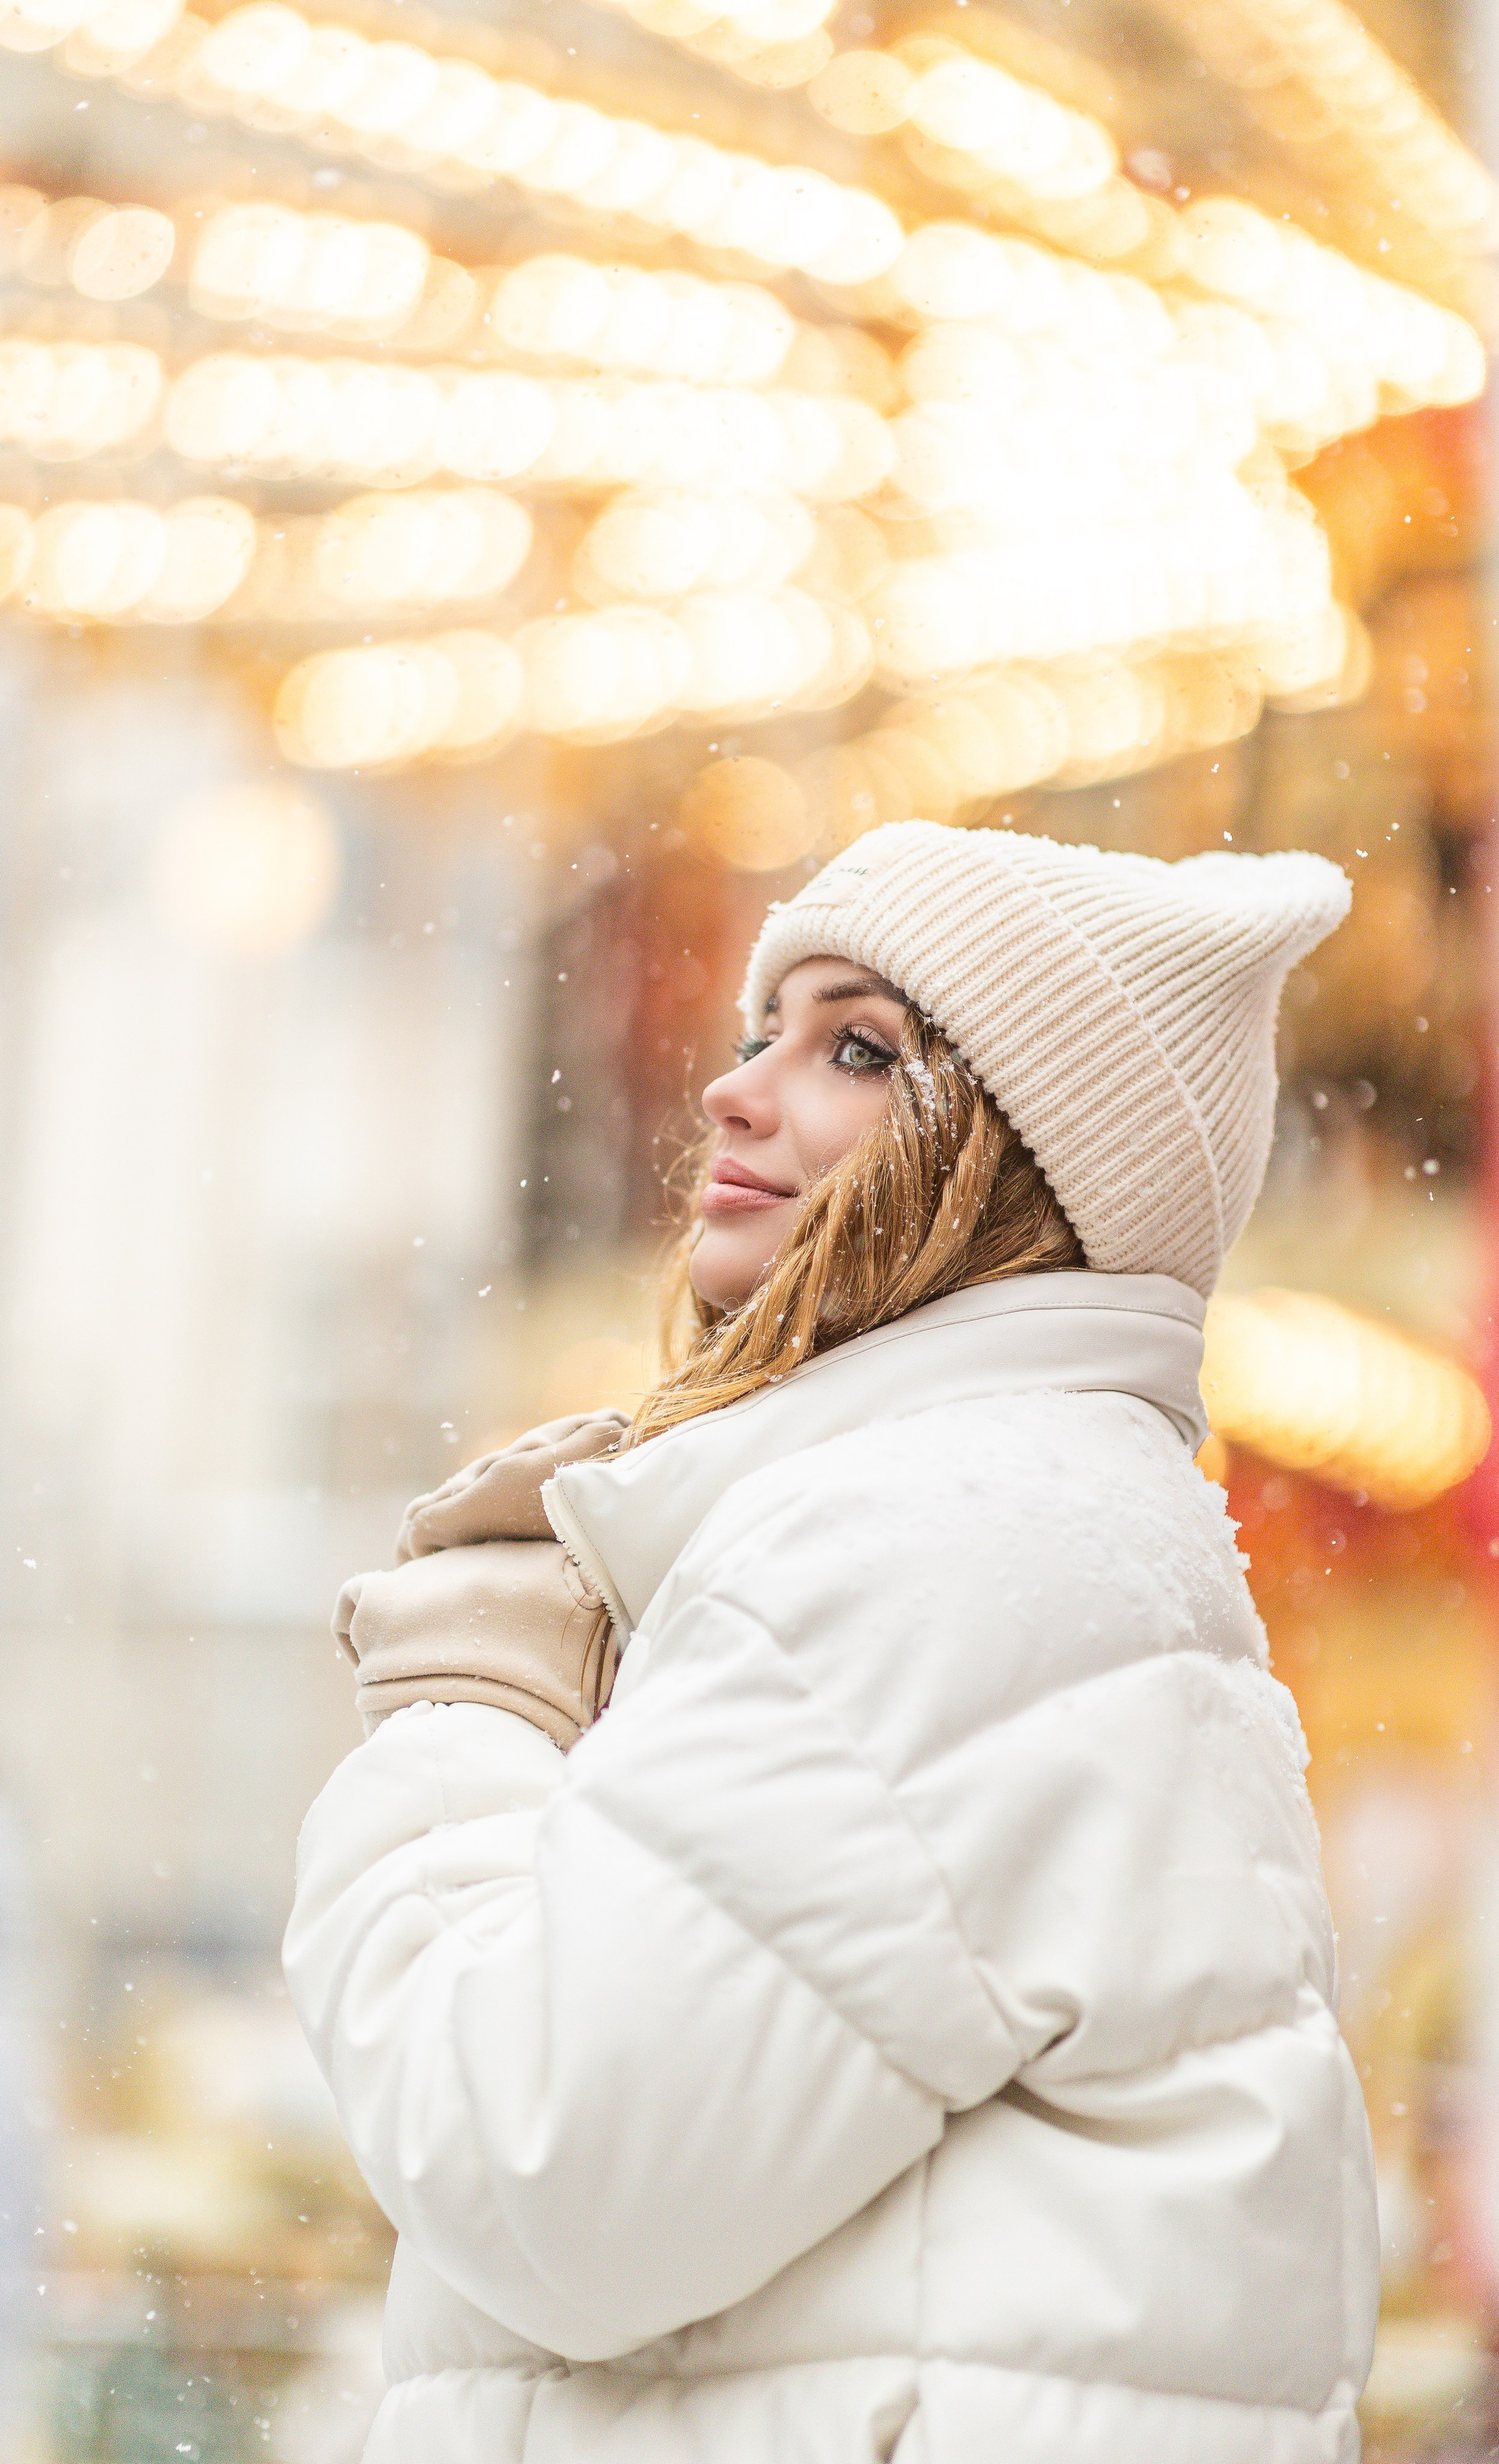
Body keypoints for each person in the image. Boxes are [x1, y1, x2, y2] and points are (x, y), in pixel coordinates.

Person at [286, 820, 1380, 2463]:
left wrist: (461, 1717)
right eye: (759, 1033)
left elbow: (551, 2171)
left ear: (1023, 1169)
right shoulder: (999, 1521)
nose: (738, 1091)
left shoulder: (946, 1534)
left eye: (857, 1047)